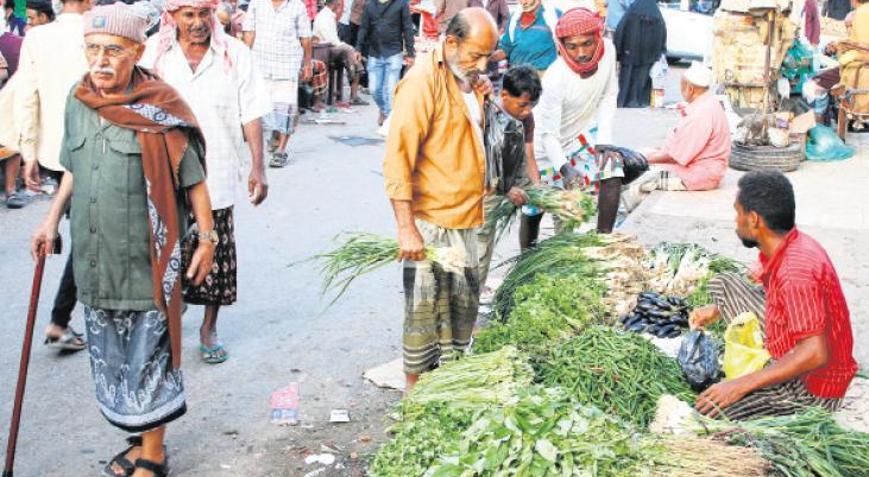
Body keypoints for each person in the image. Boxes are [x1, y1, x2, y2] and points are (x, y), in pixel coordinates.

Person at [29, 4, 215, 475]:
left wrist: (207, 239)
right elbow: (73, 167)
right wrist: (51, 221)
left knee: (149, 357)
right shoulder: (79, 99)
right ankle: (139, 440)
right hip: (95, 258)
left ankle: (153, 455)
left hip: (146, 260)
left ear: (137, 50)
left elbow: (193, 180)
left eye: (113, 50)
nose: (101, 61)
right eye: (93, 49)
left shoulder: (160, 105)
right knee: (113, 356)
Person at [141, 0, 271, 365]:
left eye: (204, 14)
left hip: (218, 172)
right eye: (189, 15)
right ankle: (168, 319)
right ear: (172, 17)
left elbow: (253, 111)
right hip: (164, 174)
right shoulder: (155, 54)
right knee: (164, 252)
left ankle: (209, 327)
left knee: (217, 253)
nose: (197, 23)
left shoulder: (235, 54)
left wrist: (258, 167)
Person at [383, 8, 499, 391]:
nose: (482, 65)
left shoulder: (468, 80)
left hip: (467, 219)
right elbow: (398, 158)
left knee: (459, 315)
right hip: (433, 225)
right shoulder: (421, 83)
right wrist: (406, 228)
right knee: (424, 319)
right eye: (475, 55)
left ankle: (445, 389)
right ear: (450, 43)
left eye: (487, 57)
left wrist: (482, 99)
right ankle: (415, 398)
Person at [691, 171, 857, 420]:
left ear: (754, 219)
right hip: (796, 340)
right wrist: (716, 309)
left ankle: (775, 390)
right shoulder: (790, 241)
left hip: (812, 388)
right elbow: (763, 276)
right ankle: (766, 359)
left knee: (714, 415)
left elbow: (815, 352)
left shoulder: (795, 273)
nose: (736, 221)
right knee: (725, 285)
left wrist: (740, 384)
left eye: (738, 213)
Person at [15, 0, 92, 349]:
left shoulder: (38, 37)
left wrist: (28, 153)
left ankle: (62, 318)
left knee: (83, 229)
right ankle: (60, 320)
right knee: (89, 234)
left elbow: (26, 97)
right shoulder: (97, 28)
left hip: (52, 153)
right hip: (92, 149)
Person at [521, 7, 622, 249]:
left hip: (579, 137)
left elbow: (609, 95)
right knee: (535, 207)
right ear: (562, 47)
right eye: (572, 47)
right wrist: (564, 168)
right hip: (547, 147)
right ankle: (526, 259)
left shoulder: (609, 51)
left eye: (587, 43)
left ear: (598, 38)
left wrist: (604, 143)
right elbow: (548, 134)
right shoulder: (555, 78)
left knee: (613, 169)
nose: (581, 53)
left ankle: (602, 243)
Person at [622, 62, 730, 212]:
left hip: (697, 175)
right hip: (703, 169)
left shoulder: (700, 114)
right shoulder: (707, 103)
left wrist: (644, 159)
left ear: (690, 89)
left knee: (635, 180)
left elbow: (676, 156)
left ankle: (627, 219)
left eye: (682, 86)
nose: (680, 90)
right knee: (640, 157)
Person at [477, 65, 541, 291]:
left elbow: (528, 153)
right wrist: (506, 189)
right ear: (504, 95)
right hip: (488, 186)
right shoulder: (486, 114)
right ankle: (473, 295)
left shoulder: (526, 117)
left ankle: (530, 262)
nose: (527, 111)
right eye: (522, 105)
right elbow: (481, 165)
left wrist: (537, 188)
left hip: (514, 175)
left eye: (531, 105)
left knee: (543, 205)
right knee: (481, 242)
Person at [242, 0, 313, 168]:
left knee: (286, 108)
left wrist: (308, 64)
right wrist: (244, 61)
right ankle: (274, 135)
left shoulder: (297, 6)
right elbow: (249, 32)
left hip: (287, 65)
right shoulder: (257, 4)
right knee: (261, 108)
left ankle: (280, 151)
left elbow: (306, 38)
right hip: (260, 64)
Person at [356, 0, 415, 125]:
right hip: (375, 53)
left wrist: (410, 53)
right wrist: (358, 49)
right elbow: (364, 28)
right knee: (374, 89)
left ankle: (390, 122)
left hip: (394, 52)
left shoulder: (401, 4)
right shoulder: (370, 5)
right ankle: (384, 110)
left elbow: (408, 28)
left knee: (390, 90)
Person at [313, 0, 368, 105]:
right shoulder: (324, 16)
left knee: (350, 52)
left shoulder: (329, 15)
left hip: (329, 48)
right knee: (349, 51)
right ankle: (357, 70)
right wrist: (347, 46)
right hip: (324, 49)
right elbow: (331, 40)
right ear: (335, 4)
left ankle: (356, 67)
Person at [613, 0, 666, 108]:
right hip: (649, 53)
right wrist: (660, 51)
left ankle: (625, 100)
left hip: (630, 50)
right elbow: (662, 32)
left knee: (628, 76)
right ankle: (641, 100)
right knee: (643, 77)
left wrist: (618, 50)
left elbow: (621, 28)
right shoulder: (655, 11)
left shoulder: (633, 9)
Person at [490, 0, 561, 74]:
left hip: (543, 74)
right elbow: (506, 49)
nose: (523, 2)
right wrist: (486, 58)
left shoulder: (554, 16)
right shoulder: (514, 19)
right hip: (517, 74)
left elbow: (565, 47)